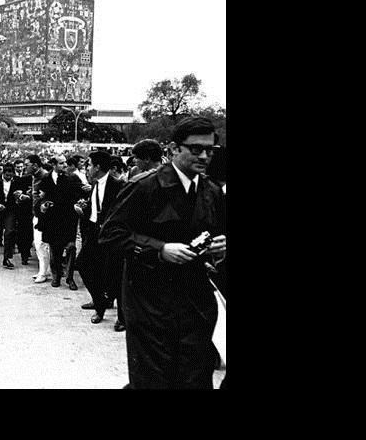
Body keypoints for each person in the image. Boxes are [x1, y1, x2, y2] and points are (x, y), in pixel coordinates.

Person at [100, 117, 226, 389]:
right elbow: (111, 234)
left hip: (196, 303)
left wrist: (220, 249)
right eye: (195, 149)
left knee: (195, 378)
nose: (204, 156)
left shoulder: (212, 192)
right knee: (153, 380)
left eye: (210, 150)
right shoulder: (144, 187)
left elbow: (219, 237)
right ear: (173, 149)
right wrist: (160, 249)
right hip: (150, 303)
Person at [76, 151, 124, 327]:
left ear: (97, 167)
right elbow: (95, 210)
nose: (87, 168)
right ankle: (100, 302)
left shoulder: (118, 185)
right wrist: (84, 210)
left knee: (115, 275)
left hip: (111, 237)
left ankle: (122, 317)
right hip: (94, 233)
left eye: (89, 165)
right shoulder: (95, 185)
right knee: (82, 264)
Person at [35, 156, 82, 289]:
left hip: (69, 218)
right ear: (54, 165)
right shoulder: (45, 179)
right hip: (52, 219)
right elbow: (39, 198)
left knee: (71, 248)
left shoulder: (72, 178)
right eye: (61, 163)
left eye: (65, 163)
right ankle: (56, 276)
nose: (65, 165)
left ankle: (70, 278)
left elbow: (80, 194)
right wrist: (42, 206)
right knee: (55, 249)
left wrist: (79, 203)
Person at [26, 155, 52, 283]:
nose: (26, 167)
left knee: (40, 243)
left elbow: (49, 195)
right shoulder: (35, 176)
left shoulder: (45, 176)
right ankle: (45, 271)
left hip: (43, 215)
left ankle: (44, 272)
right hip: (36, 213)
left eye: (28, 164)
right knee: (39, 244)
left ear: (35, 165)